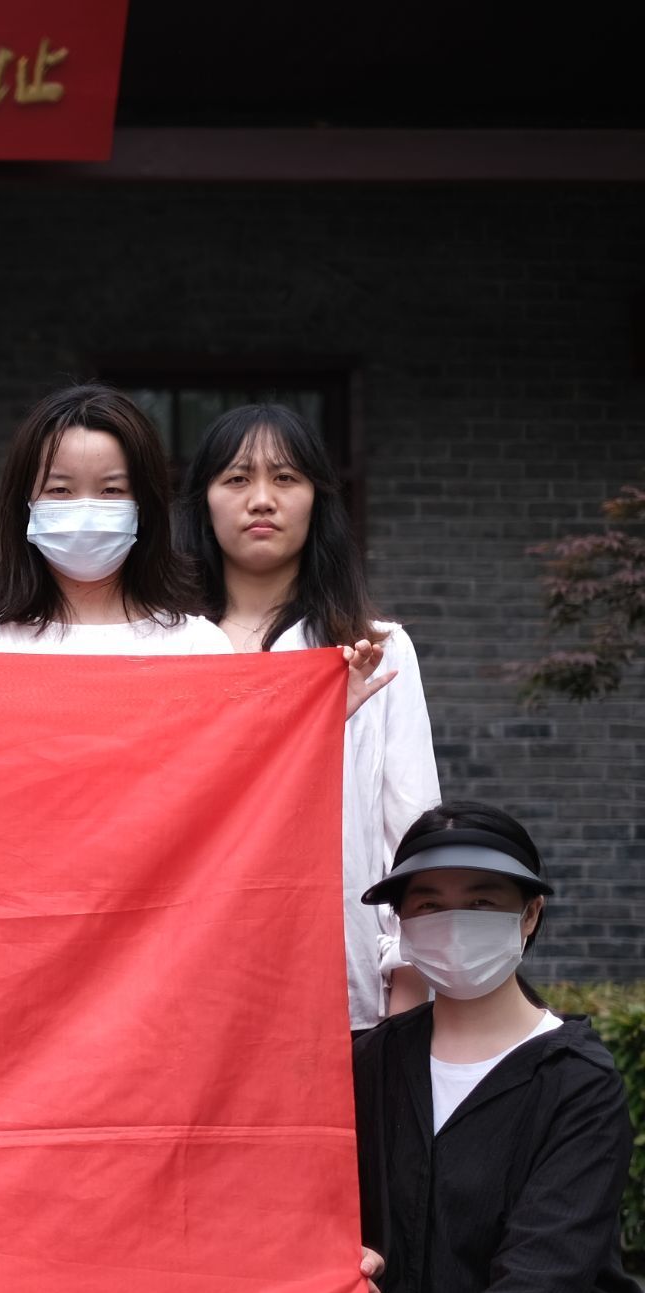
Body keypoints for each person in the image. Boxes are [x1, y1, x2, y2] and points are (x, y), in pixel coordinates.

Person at [353, 802, 645, 1293]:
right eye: (429, 903)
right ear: (402, 923)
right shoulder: (369, 1064)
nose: (454, 922)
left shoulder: (576, 1082)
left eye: (482, 900)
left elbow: (540, 1276)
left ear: (530, 914)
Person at [177, 403, 441, 1028]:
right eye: (236, 478)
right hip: (185, 981)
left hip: (339, 986)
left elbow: (411, 830)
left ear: (318, 498)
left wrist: (408, 987)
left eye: (286, 478)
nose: (261, 500)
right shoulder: (164, 646)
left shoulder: (376, 650)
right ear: (203, 501)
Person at [0, 383, 231, 656]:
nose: (85, 513)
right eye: (60, 490)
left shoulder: (196, 646)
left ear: (145, 505)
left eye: (112, 490)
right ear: (25, 504)